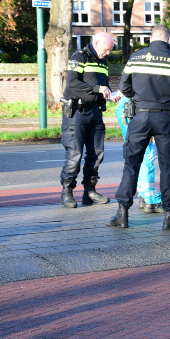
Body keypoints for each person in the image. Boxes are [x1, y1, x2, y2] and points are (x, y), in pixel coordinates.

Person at [109, 25, 170, 230]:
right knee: (168, 168)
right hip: (167, 119)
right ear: (169, 40)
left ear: (150, 39)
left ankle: (122, 213)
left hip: (139, 117)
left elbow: (124, 89)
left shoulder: (136, 57)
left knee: (131, 165)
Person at [114, 77, 170, 214]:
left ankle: (144, 195)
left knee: (140, 154)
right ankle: (150, 199)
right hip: (137, 111)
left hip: (135, 109)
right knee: (146, 154)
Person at [59, 31, 115, 208]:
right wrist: (98, 88)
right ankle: (67, 192)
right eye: (106, 49)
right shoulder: (79, 57)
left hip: (95, 112)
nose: (108, 53)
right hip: (77, 111)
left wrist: (110, 94)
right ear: (96, 43)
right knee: (74, 153)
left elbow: (102, 85)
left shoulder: (103, 61)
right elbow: (72, 84)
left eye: (110, 51)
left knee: (96, 154)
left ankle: (89, 192)